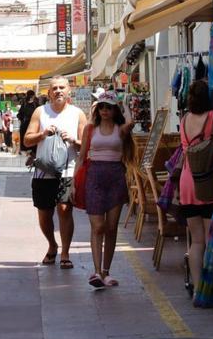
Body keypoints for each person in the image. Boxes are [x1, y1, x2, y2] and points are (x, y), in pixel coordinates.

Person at [23, 77, 87, 269]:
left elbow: (86, 145)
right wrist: (42, 134)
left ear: (69, 91)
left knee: (65, 209)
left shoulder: (78, 114)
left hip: (68, 170)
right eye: (54, 88)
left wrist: (74, 140)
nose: (58, 91)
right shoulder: (40, 112)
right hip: (44, 171)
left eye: (62, 88)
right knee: (44, 214)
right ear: (48, 93)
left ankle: (65, 252)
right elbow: (27, 140)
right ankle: (52, 244)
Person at [77, 90, 135, 289]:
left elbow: (131, 121)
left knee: (111, 228)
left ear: (114, 109)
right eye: (101, 106)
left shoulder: (120, 129)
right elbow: (82, 156)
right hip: (94, 176)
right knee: (98, 226)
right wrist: (74, 182)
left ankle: (106, 272)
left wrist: (121, 102)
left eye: (108, 107)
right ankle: (96, 271)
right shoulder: (90, 129)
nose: (104, 110)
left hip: (116, 177)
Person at [178, 80, 213, 297]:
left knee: (197, 240)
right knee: (211, 238)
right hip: (207, 181)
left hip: (186, 180)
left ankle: (198, 288)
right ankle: (212, 288)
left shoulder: (184, 120)